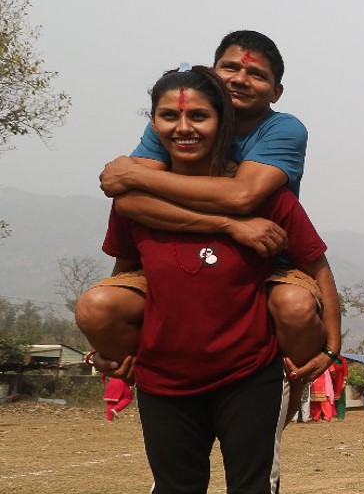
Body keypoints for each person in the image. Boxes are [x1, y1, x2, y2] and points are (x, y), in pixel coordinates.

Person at [80, 65, 341, 494]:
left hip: (249, 373)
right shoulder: (134, 204)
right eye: (169, 115)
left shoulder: (268, 196)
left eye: (198, 115)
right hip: (164, 378)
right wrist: (109, 346)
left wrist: (332, 348)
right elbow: (125, 277)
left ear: (222, 122)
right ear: (153, 123)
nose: (184, 127)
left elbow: (316, 266)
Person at [77, 31, 327, 421]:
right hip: (183, 254)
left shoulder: (283, 130)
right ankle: (149, 378)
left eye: (256, 75)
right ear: (212, 71)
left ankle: (288, 384)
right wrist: (227, 224)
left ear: (277, 92)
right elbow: (127, 201)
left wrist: (135, 174)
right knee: (97, 307)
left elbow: (244, 197)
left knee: (292, 305)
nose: (240, 79)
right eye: (229, 67)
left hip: (262, 259)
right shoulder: (179, 121)